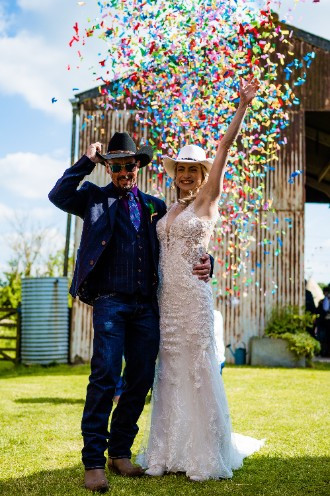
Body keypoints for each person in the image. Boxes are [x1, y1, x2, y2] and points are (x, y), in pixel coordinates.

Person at [48, 131, 212, 492]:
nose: (124, 171)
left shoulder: (155, 205)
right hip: (110, 301)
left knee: (140, 379)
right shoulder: (93, 199)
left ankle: (119, 451)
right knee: (105, 375)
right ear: (109, 168)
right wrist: (86, 163)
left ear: (138, 166)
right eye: (117, 165)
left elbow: (180, 242)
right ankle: (93, 460)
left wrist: (207, 260)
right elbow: (57, 196)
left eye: (129, 165)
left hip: (147, 307)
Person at [141, 76, 264, 481]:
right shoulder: (167, 210)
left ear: (202, 174)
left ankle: (203, 455)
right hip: (165, 299)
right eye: (182, 170)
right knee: (169, 370)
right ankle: (167, 452)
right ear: (175, 173)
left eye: (194, 170)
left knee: (196, 369)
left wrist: (243, 105)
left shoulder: (207, 201)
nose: (188, 176)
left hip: (193, 297)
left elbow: (224, 148)